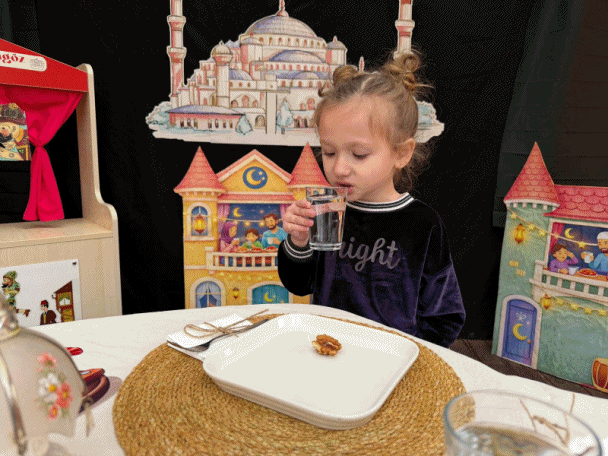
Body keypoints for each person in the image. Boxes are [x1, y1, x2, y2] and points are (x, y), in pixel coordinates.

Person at [277, 51, 465, 348]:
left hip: (391, 361)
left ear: (401, 153)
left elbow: (445, 314)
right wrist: (298, 243)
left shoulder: (423, 224)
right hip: (327, 351)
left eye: (359, 154)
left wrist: (413, 354)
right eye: (329, 152)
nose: (339, 168)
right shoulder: (326, 213)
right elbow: (299, 284)